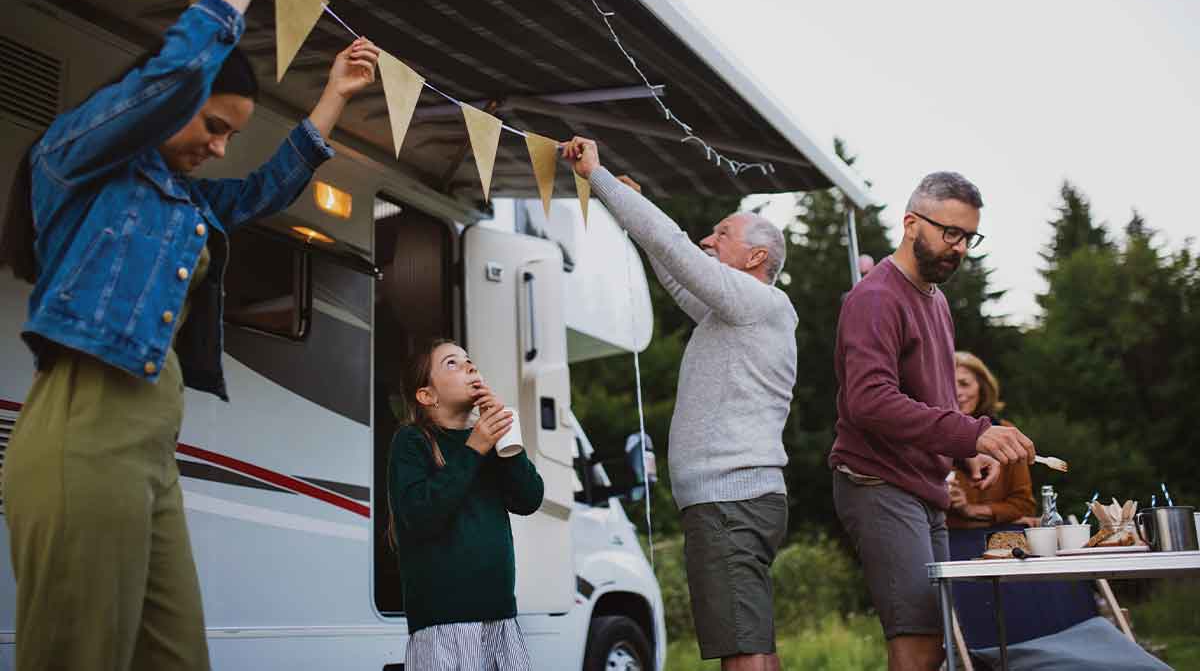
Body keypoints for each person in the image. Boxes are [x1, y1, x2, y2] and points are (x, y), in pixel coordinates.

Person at [0, 0, 380, 671]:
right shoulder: (79, 159)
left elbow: (267, 187)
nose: (219, 147)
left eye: (229, 135)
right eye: (214, 126)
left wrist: (333, 95)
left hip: (152, 446)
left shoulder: (182, 201)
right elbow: (172, 79)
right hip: (87, 428)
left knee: (179, 657)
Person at [561, 137, 795, 671]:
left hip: (731, 501)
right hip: (733, 500)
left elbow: (677, 249)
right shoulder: (731, 313)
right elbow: (674, 266)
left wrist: (597, 177)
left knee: (742, 648)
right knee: (749, 637)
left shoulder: (759, 302)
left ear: (757, 256)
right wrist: (627, 207)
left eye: (722, 233)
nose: (707, 239)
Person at [828, 172, 1036, 671]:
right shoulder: (876, 298)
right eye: (950, 233)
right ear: (910, 223)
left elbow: (935, 396)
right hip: (878, 482)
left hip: (927, 487)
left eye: (969, 237)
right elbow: (870, 402)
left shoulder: (937, 301)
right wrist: (973, 432)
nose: (960, 248)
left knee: (939, 640)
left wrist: (967, 452)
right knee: (917, 643)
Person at [387, 340, 544, 671]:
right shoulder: (412, 441)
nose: (470, 366)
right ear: (427, 395)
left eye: (470, 361)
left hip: (500, 617)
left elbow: (529, 499)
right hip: (444, 622)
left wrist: (505, 441)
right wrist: (474, 449)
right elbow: (420, 516)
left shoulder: (487, 441)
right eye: (452, 364)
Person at [946, 352, 1036, 529]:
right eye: (949, 385)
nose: (957, 392)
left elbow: (1024, 505)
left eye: (964, 384)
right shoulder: (930, 436)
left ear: (982, 388)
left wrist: (971, 510)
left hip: (995, 540)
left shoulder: (1006, 433)